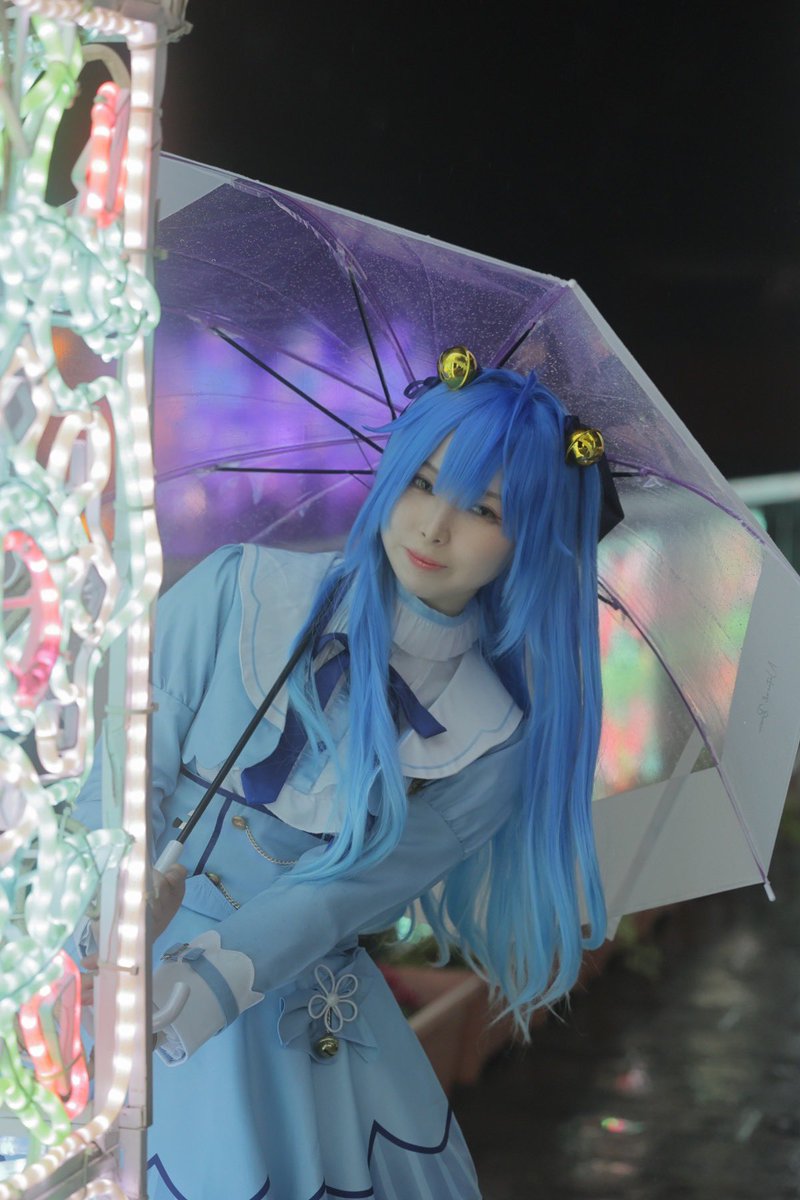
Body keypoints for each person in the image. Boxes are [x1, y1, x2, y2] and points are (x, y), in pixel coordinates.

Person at [77, 349, 612, 1200]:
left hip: (274, 1008)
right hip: (105, 957)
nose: (433, 528)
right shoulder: (241, 590)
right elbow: (124, 758)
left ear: (532, 539)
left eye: (483, 508)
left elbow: (340, 896)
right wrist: (114, 898)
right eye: (422, 483)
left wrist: (200, 985)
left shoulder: (493, 737)